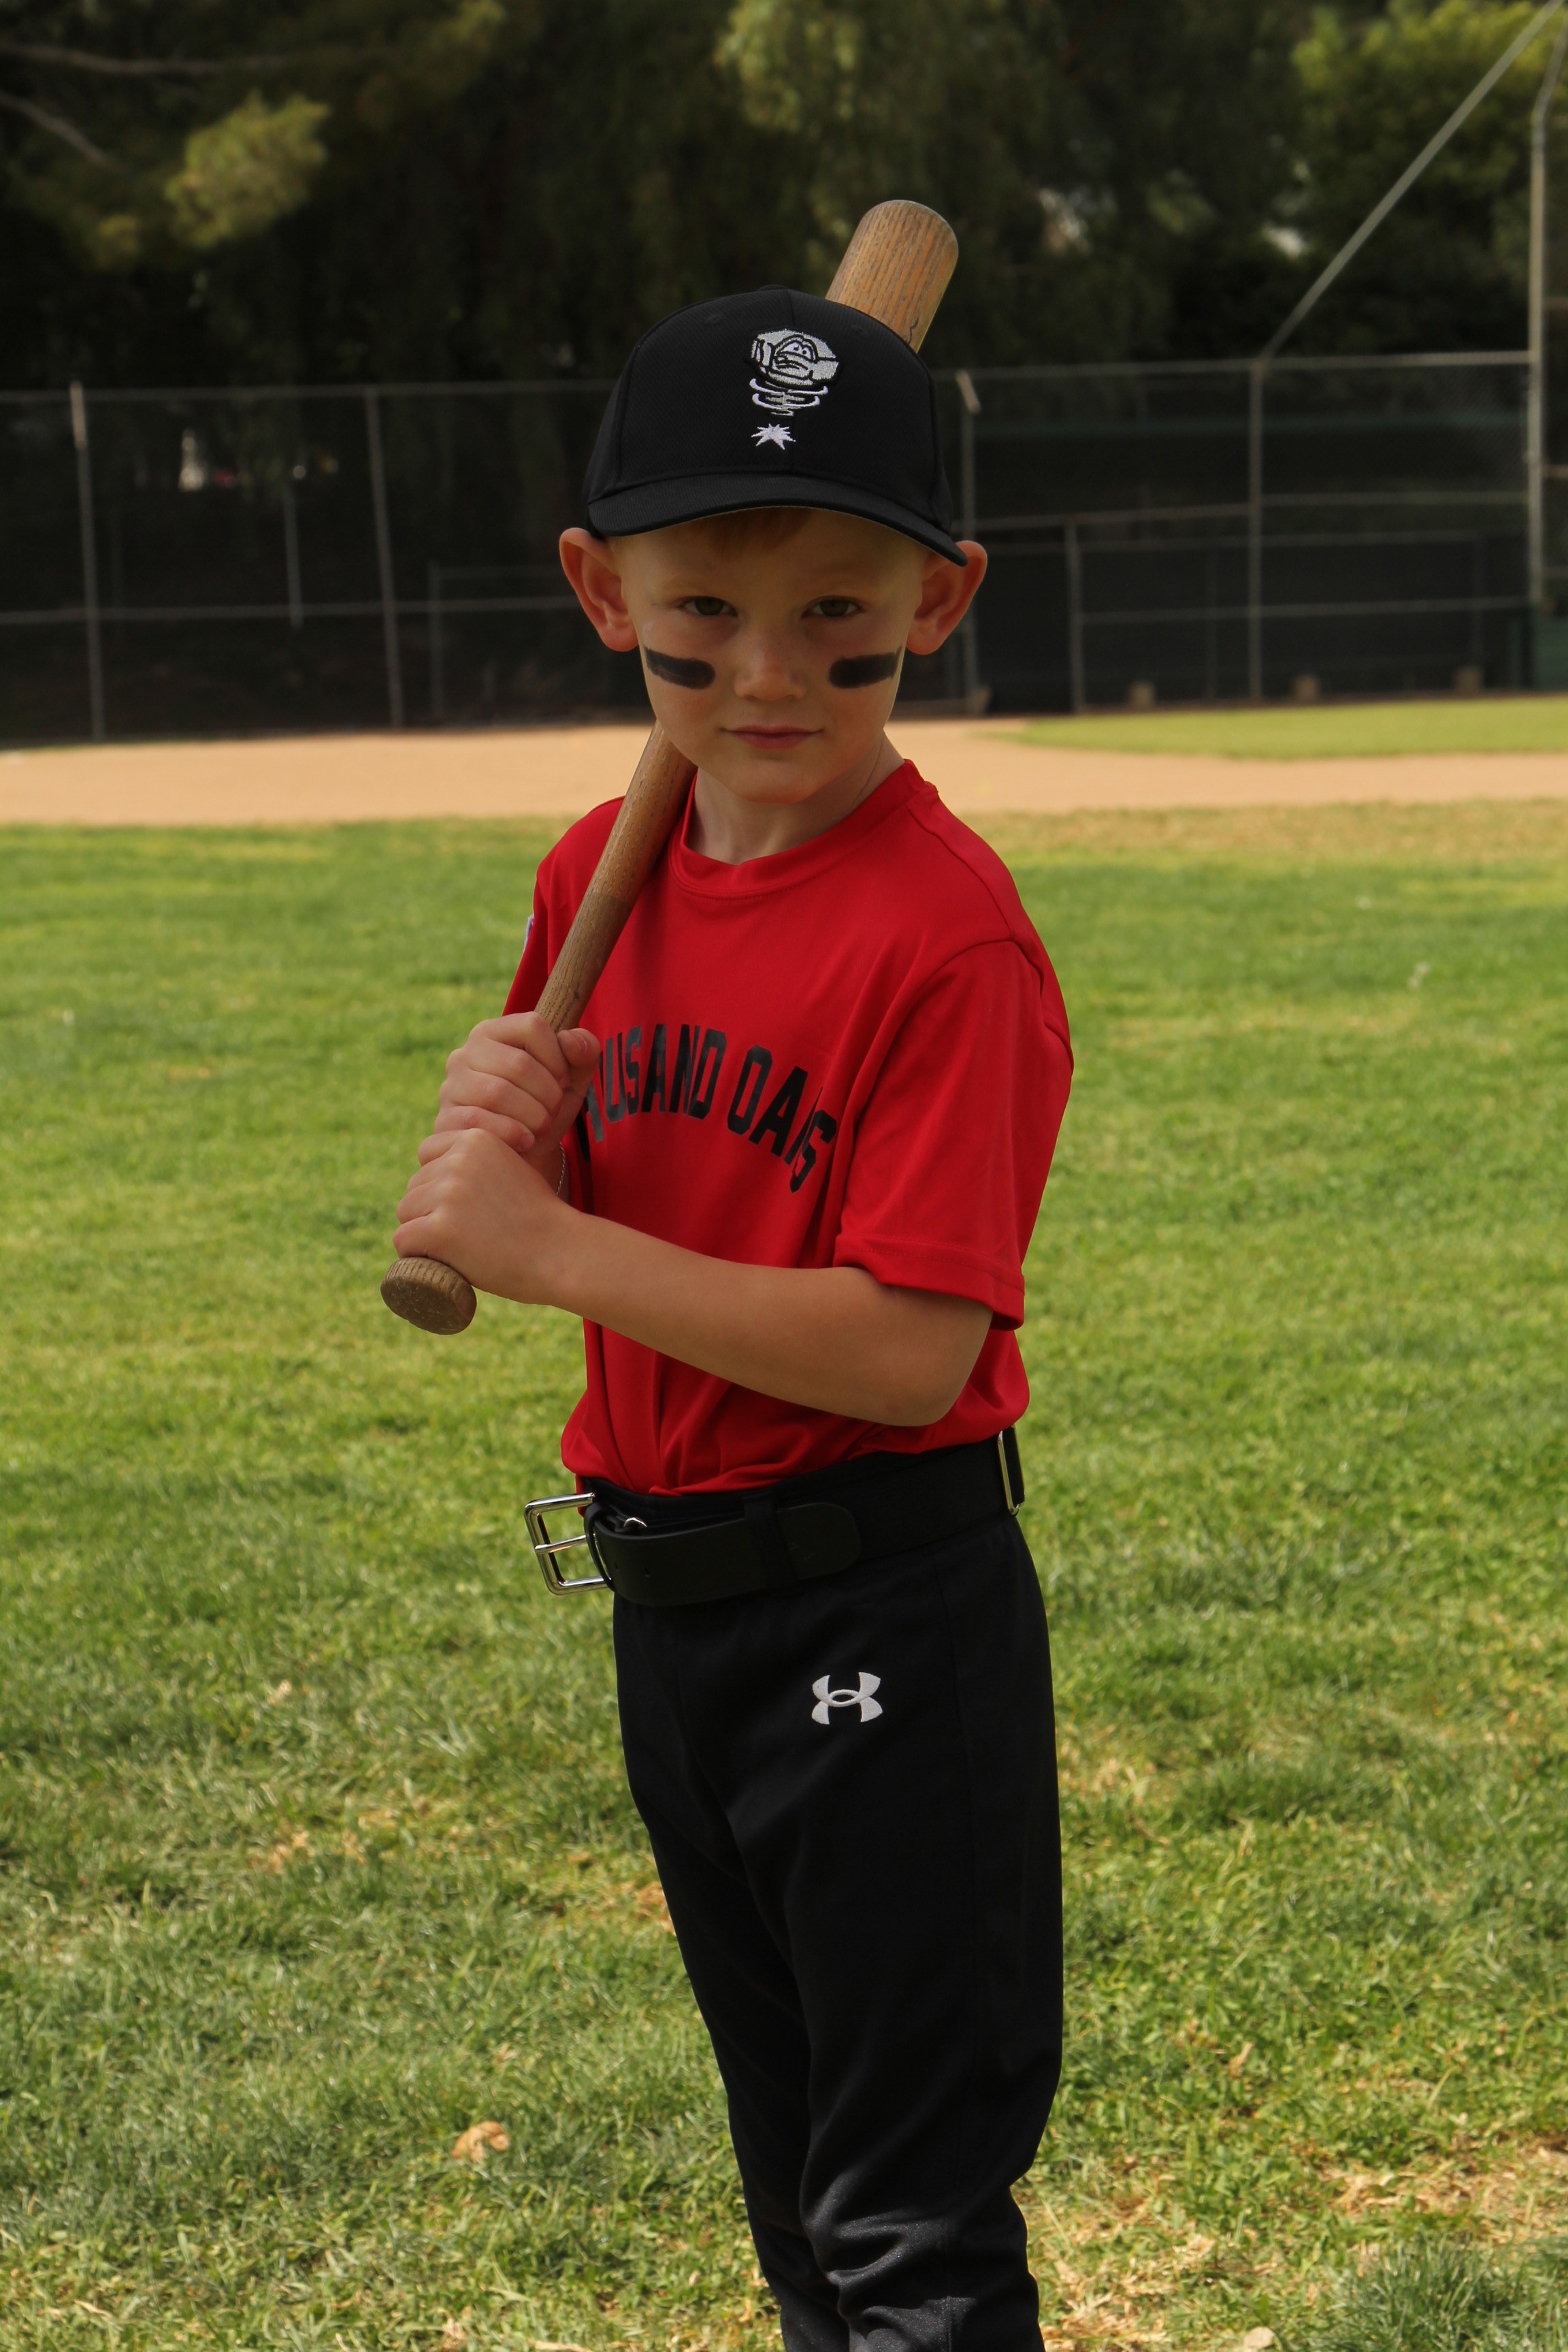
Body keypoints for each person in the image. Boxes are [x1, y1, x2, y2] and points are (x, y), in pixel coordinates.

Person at [392, 287, 1074, 2352]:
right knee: (797, 2206)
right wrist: (520, 1125)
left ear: (938, 602)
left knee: (905, 2227)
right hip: (671, 1606)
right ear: (604, 593)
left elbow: (908, 1351)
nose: (768, 674)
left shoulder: (947, 943)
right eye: (706, 614)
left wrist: (548, 1250)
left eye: (836, 616)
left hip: (881, 1609)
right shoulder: (599, 874)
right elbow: (619, 1198)